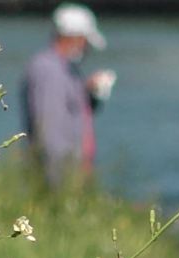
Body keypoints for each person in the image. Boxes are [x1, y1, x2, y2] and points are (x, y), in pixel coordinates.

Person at [22, 2, 116, 186]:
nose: (86, 48)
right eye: (85, 41)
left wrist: (90, 92)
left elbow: (73, 112)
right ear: (74, 38)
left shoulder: (67, 69)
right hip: (59, 175)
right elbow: (49, 130)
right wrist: (63, 179)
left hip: (73, 169)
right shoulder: (47, 70)